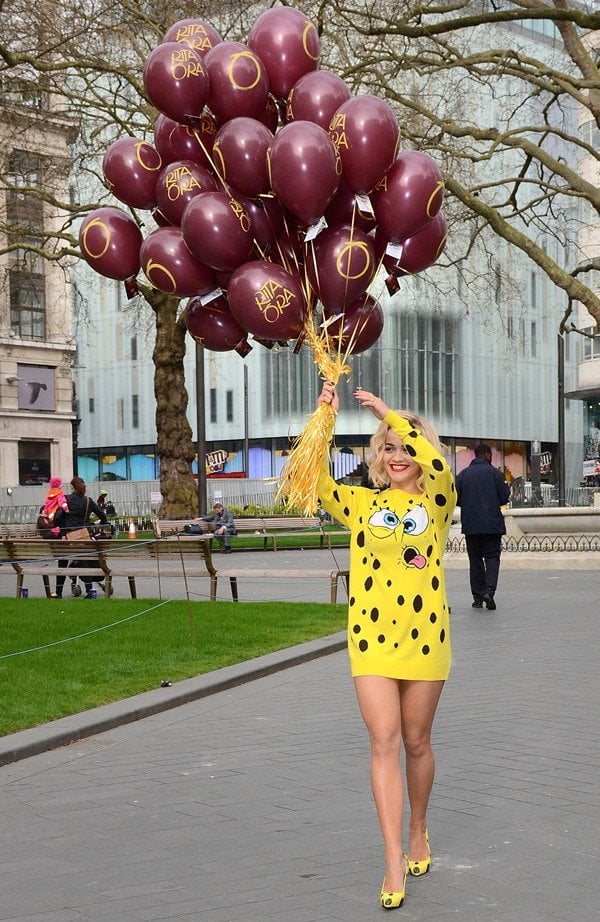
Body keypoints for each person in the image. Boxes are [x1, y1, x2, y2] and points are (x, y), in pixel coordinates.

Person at [315, 382, 456, 911]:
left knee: (417, 742)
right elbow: (308, 479)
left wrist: (390, 415)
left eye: (406, 447)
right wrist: (324, 417)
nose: (398, 456)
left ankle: (418, 827)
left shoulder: (439, 501)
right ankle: (393, 854)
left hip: (425, 642)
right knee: (384, 741)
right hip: (370, 640)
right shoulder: (360, 503)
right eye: (389, 447)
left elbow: (438, 467)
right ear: (378, 456)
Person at [455, 444, 511, 611]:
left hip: (471, 525)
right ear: (487, 454)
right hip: (492, 524)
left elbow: (456, 498)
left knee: (475, 560)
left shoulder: (463, 474)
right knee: (492, 558)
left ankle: (477, 597)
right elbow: (504, 497)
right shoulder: (495, 473)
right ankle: (489, 591)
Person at [57, 476, 111, 599]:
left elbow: (57, 519)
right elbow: (102, 515)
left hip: (69, 537)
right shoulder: (88, 501)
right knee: (83, 559)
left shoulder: (66, 500)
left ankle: (58, 592)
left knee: (62, 561)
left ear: (72, 487)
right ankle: (89, 589)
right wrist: (99, 522)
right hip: (84, 536)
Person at [36, 502, 82, 597]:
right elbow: (45, 526)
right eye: (46, 510)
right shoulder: (41, 519)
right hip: (50, 537)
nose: (48, 511)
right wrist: (54, 526)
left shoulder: (49, 519)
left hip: (54, 538)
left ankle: (59, 591)